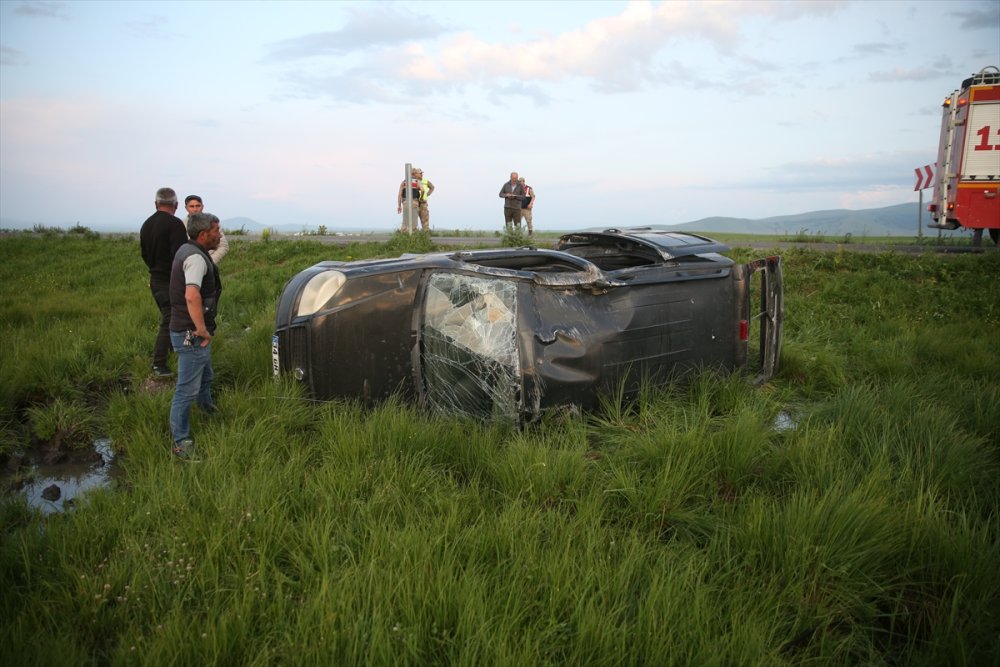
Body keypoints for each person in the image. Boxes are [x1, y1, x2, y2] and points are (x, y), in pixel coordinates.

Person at [168, 212, 223, 461]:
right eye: (216, 231)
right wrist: (200, 329)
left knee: (206, 375)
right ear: (203, 234)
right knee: (186, 389)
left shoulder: (186, 250)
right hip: (191, 333)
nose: (219, 234)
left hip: (191, 330)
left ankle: (207, 408)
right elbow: (191, 295)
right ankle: (181, 442)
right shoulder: (196, 259)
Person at [139, 187, 187, 378]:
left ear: (156, 204)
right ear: (176, 205)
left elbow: (144, 253)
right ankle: (159, 364)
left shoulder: (146, 225)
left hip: (155, 278)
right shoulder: (175, 225)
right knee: (170, 319)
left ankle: (175, 352)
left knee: (171, 317)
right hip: (171, 281)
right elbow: (181, 255)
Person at [184, 194, 229, 264]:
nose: (195, 209)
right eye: (191, 206)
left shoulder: (212, 223)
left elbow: (223, 246)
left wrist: (209, 261)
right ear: (186, 208)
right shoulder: (181, 224)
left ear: (202, 207)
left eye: (198, 206)